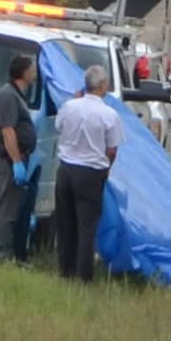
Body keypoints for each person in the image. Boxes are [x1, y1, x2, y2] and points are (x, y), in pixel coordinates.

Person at [55, 65, 124, 282]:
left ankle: (64, 271)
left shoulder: (69, 106)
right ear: (103, 86)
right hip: (91, 172)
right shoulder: (109, 114)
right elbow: (112, 149)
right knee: (87, 227)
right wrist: (105, 167)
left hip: (65, 169)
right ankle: (83, 275)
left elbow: (59, 128)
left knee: (65, 224)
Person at [0, 55, 38, 263]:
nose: (35, 72)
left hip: (17, 156)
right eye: (32, 69)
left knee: (14, 208)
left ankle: (12, 253)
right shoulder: (8, 96)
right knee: (7, 209)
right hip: (8, 157)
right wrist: (17, 161)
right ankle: (2, 256)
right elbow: (8, 131)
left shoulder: (19, 95)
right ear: (25, 72)